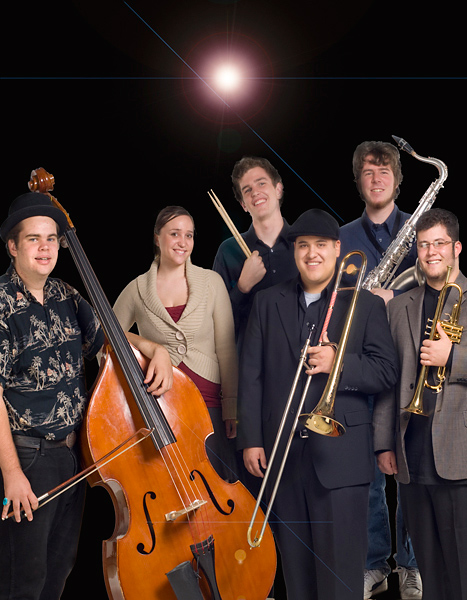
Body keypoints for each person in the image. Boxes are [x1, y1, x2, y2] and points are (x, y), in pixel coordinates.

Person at [0, 192, 173, 600]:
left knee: (58, 569)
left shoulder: (66, 295)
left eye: (51, 239)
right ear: (12, 246)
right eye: (33, 239)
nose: (45, 248)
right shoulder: (2, 304)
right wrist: (11, 475)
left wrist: (155, 349)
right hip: (27, 456)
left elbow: (110, 337)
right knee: (23, 579)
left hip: (74, 455)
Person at [237, 208, 399, 599]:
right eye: (304, 246)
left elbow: (385, 371)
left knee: (341, 577)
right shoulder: (266, 302)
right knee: (297, 575)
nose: (313, 254)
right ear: (294, 252)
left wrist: (337, 365)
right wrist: (251, 440)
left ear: (338, 249)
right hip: (283, 456)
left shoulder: (365, 304)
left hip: (341, 460)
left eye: (321, 245)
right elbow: (251, 375)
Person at [339, 140, 421, 599]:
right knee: (367, 469)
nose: (377, 178)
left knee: (409, 464)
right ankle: (374, 563)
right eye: (368, 172)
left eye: (384, 171)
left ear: (397, 178)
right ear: (359, 180)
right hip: (363, 361)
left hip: (411, 360)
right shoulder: (342, 236)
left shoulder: (419, 228)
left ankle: (411, 562)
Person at [374, 208, 467, 600]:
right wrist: (383, 443)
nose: (431, 252)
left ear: (456, 248)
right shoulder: (399, 306)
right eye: (424, 244)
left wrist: (454, 357)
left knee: (462, 572)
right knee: (429, 572)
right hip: (412, 455)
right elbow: (388, 381)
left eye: (440, 243)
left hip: (459, 454)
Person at [113, 205, 238, 482]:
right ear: (157, 238)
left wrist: (231, 407)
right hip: (163, 404)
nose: (183, 242)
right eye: (174, 234)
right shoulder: (136, 288)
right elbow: (105, 338)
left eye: (189, 235)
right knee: (174, 487)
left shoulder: (211, 282)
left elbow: (227, 349)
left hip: (210, 402)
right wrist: (150, 347)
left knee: (218, 483)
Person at [212, 156, 298, 354]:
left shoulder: (304, 244)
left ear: (278, 189)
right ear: (243, 204)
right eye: (247, 190)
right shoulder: (228, 251)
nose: (255, 192)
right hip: (252, 366)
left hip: (303, 362)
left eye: (261, 183)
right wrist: (242, 287)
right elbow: (215, 326)